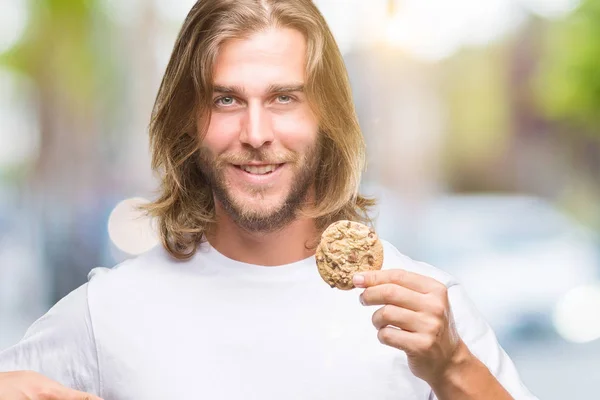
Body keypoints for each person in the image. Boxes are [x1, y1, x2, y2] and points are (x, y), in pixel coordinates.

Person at [0, 1, 538, 399]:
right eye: (227, 99)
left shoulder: (427, 315)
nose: (256, 132)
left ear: (326, 118)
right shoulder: (105, 315)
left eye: (284, 98)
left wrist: (453, 367)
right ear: (187, 120)